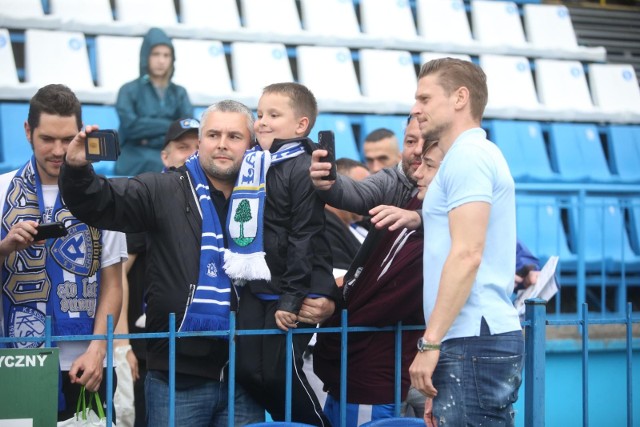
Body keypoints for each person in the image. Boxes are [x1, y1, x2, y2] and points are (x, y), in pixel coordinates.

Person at [60, 100, 266, 426]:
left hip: (247, 376)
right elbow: (101, 201)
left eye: (234, 136)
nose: (223, 143)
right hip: (176, 373)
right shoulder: (164, 188)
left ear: (251, 144)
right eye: (213, 134)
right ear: (201, 142)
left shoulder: (264, 196)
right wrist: (76, 169)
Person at [408, 58, 524, 426]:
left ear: (460, 97)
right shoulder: (473, 153)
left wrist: (430, 345)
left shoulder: (468, 156)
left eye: (425, 98)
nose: (416, 108)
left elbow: (467, 254)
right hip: (474, 338)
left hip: (472, 338)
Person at [0, 84, 127, 420]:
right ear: (28, 131)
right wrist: (5, 248)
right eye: (47, 139)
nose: (57, 150)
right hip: (17, 360)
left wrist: (99, 348)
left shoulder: (104, 195)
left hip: (88, 362)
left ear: (81, 135)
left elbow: (113, 283)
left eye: (67, 139)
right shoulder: (1, 191)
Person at [225, 82, 339, 426]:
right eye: (259, 114)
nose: (261, 122)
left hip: (294, 287)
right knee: (245, 370)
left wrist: (291, 299)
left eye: (273, 115)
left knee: (278, 374)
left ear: (301, 125)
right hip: (258, 283)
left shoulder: (302, 166)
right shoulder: (255, 164)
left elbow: (304, 237)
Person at [313, 139, 444, 427]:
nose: (419, 166)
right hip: (363, 372)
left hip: (378, 372)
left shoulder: (433, 225)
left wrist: (336, 305)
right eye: (411, 142)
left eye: (430, 162)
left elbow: (380, 301)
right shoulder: (398, 195)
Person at [114, 116, 201, 426]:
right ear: (165, 156)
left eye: (198, 147)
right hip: (148, 346)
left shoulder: (214, 201)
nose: (191, 154)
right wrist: (122, 345)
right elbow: (118, 274)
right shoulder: (150, 197)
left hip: (196, 349)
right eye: (183, 147)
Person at [114, 27, 193, 176]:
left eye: (166, 55)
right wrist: (170, 125)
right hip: (135, 155)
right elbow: (131, 128)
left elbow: (186, 128)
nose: (161, 60)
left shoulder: (179, 92)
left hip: (168, 152)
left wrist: (147, 130)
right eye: (156, 54)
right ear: (146, 56)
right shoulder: (128, 90)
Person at [325, 158, 370, 273]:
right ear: (337, 187)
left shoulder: (362, 222)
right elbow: (338, 280)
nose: (370, 196)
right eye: (362, 189)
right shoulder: (323, 228)